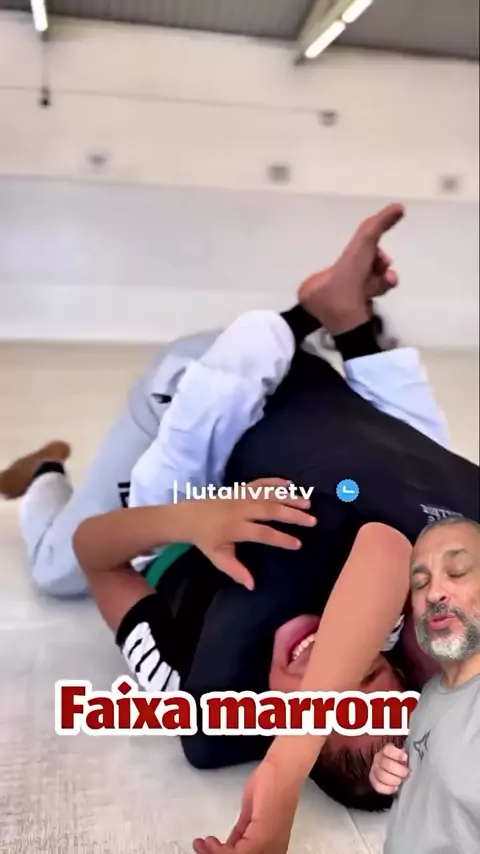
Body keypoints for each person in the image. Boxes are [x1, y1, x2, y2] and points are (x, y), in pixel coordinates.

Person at [0, 204, 437, 599]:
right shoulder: (436, 536)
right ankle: (44, 472)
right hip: (201, 387)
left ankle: (320, 316)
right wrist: (331, 323)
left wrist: (341, 326)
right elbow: (164, 488)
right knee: (59, 570)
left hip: (263, 383)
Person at [370, 517, 480, 854]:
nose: (433, 593)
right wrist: (391, 772)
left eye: (457, 572)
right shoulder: (431, 694)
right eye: (420, 583)